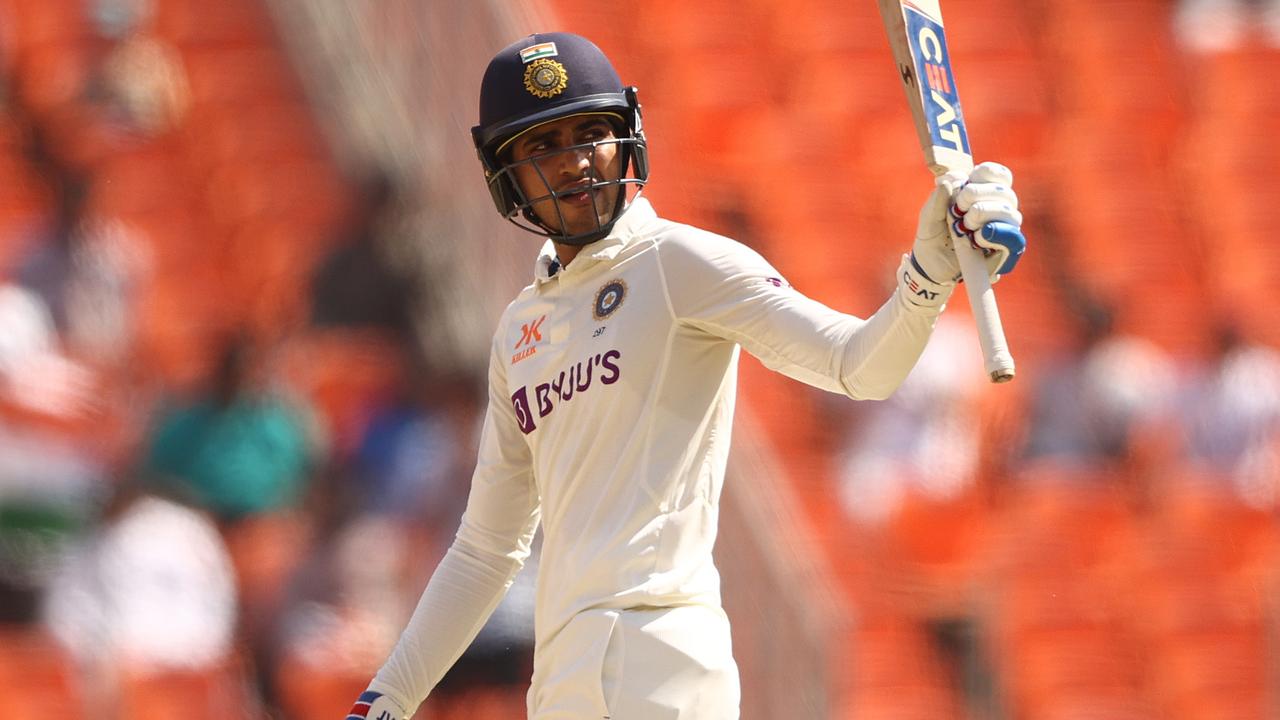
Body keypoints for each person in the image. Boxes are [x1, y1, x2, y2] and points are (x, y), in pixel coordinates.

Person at [347, 31, 1026, 719]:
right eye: (542, 147)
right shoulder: (519, 333)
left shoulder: (680, 264)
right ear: (507, 176)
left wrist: (928, 277)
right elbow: (485, 552)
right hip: (559, 682)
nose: (577, 161)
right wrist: (390, 696)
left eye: (591, 132)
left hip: (662, 661)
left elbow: (858, 367)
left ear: (628, 136)